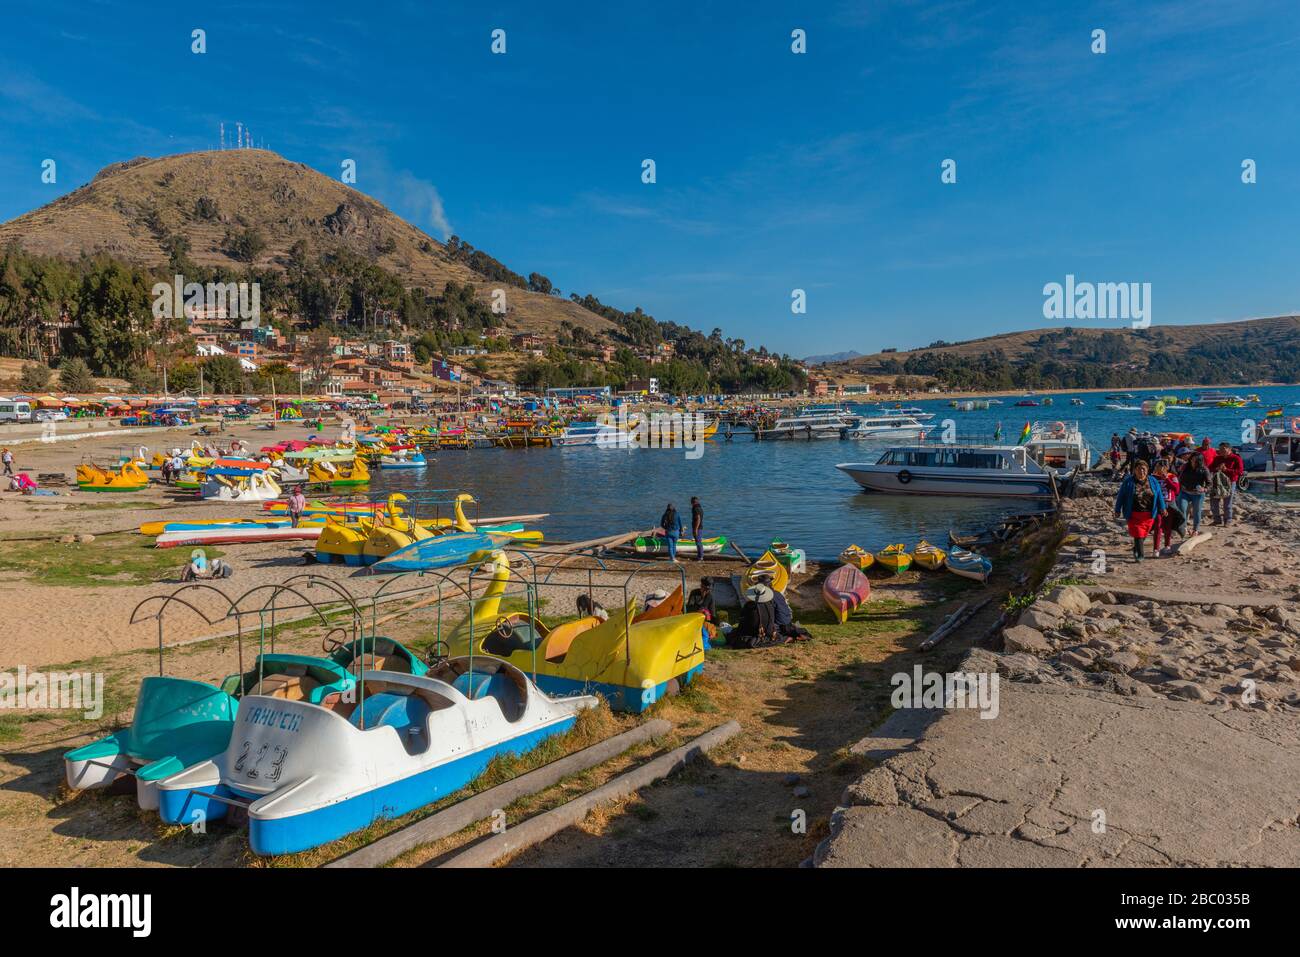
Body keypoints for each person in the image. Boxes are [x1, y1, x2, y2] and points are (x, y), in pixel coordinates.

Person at [1114, 459, 1165, 562]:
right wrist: (1117, 509)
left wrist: (1162, 508)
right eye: (1139, 469)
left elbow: (1159, 495)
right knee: (1138, 533)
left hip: (1148, 514)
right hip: (1133, 514)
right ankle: (1140, 556)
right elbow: (1121, 496)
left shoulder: (1153, 481)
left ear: (1147, 470)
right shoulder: (1128, 482)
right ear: (1134, 470)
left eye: (1143, 469)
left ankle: (1136, 548)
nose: (1141, 471)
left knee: (1143, 534)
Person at [725, 584, 785, 648]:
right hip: (769, 633)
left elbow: (743, 625)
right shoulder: (770, 605)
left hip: (753, 633)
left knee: (734, 636)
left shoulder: (749, 606)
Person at [1151, 459, 1181, 556]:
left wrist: (1166, 479)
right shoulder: (1152, 477)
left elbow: (1176, 490)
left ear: (1167, 468)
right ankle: (1156, 549)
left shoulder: (1172, 476)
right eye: (1159, 466)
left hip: (1169, 503)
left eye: (1163, 466)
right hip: (1157, 504)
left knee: (1168, 526)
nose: (1161, 468)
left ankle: (1167, 546)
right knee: (1158, 526)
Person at [1210, 441, 1244, 526]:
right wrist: (1217, 468)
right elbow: (1210, 468)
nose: (1220, 451)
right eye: (1220, 449)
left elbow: (1240, 472)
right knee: (1214, 500)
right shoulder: (1217, 458)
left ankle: (1228, 520)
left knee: (1227, 502)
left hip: (1230, 482)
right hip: (1217, 482)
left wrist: (1227, 470)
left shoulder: (1236, 458)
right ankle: (1217, 520)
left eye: (1223, 449)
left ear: (1229, 449)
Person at [1177, 450, 1210, 534]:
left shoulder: (1204, 469)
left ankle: (1196, 529)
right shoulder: (1185, 466)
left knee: (1197, 511)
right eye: (1192, 459)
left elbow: (1209, 483)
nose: (1193, 461)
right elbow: (1179, 478)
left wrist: (1204, 489)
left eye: (1195, 460)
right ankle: (1184, 527)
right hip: (1184, 492)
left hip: (1198, 494)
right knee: (1182, 509)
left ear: (1199, 461)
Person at [690, 496, 704, 561]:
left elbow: (698, 519)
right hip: (699, 527)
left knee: (698, 542)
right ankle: (699, 556)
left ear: (693, 502)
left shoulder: (696, 509)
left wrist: (695, 529)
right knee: (698, 542)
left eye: (691, 502)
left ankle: (700, 557)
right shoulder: (700, 508)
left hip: (698, 528)